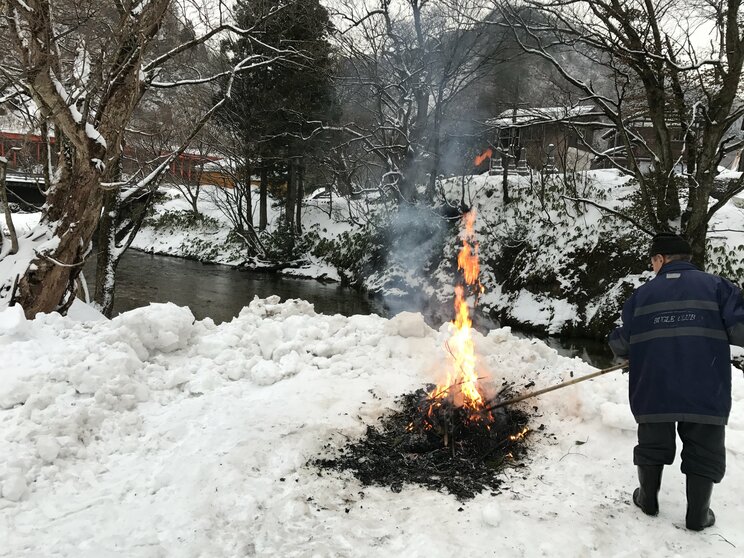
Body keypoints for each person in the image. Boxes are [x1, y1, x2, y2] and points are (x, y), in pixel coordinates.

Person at [609, 232, 744, 530]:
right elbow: (740, 331)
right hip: (705, 384)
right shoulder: (718, 287)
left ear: (660, 259)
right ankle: (697, 515)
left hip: (654, 385)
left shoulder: (642, 295)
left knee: (652, 443)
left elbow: (622, 343)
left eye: (652, 261)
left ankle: (648, 500)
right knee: (704, 448)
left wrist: (618, 342)